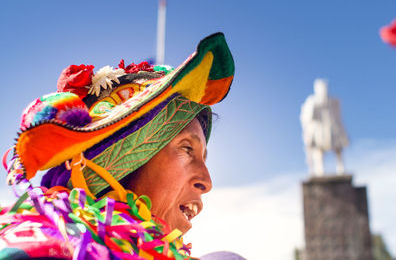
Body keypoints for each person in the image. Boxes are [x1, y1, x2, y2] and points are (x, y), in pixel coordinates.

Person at [0, 33, 234, 260]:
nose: (207, 182)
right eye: (186, 148)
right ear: (119, 163)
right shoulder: (37, 249)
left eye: (204, 157)